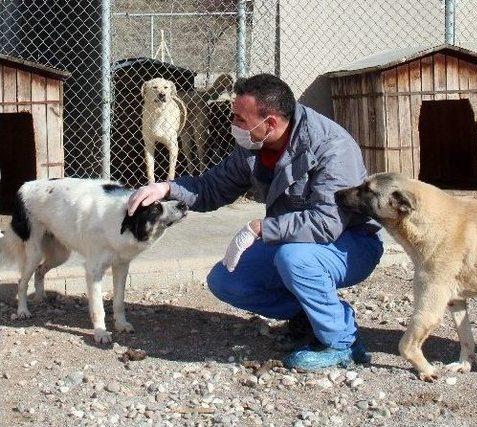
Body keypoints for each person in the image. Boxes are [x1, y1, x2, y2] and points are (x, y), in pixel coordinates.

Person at [127, 73, 383, 370]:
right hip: (294, 240)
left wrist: (263, 227)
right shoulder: (255, 144)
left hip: (350, 244)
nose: (233, 124)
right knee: (227, 280)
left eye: (239, 118)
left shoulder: (331, 147)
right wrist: (167, 188)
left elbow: (327, 223)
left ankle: (342, 343)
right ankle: (312, 317)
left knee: (295, 259)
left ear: (271, 122)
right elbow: (214, 187)